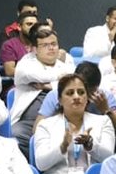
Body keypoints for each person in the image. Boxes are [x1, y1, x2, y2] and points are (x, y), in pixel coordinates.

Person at [33, 74, 116, 174]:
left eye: (81, 92)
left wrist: (91, 145)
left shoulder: (103, 122)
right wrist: (63, 147)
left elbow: (109, 158)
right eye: (70, 93)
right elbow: (41, 164)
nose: (76, 96)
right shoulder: (45, 125)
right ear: (59, 99)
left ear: (87, 97)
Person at [12, 27, 75, 155]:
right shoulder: (26, 64)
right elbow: (35, 74)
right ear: (35, 49)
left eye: (54, 44)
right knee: (15, 133)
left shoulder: (66, 65)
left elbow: (73, 78)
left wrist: (49, 86)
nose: (51, 48)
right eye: (45, 45)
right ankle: (33, 165)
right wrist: (59, 80)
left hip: (61, 120)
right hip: (28, 122)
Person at [0, 10, 41, 76]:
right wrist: (36, 71)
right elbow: (10, 71)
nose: (33, 28)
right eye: (29, 24)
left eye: (35, 25)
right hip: (20, 84)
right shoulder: (9, 45)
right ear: (19, 27)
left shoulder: (42, 43)